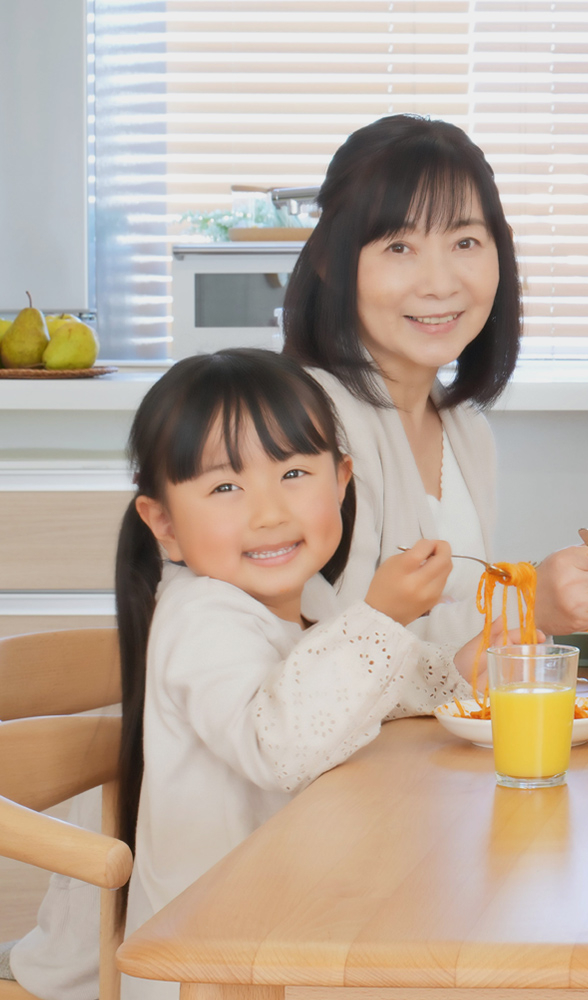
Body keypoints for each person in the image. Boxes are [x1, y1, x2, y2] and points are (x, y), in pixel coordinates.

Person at [114, 351, 488, 1000]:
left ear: (342, 481)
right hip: (212, 962)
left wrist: (457, 669)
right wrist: (381, 614)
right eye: (225, 487)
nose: (268, 512)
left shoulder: (310, 595)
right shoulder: (202, 618)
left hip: (297, 917)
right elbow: (280, 741)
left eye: (293, 472)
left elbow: (359, 691)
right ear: (164, 524)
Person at [284, 114, 588, 645]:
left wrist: (536, 597)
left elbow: (460, 634)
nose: (439, 284)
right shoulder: (307, 428)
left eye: (465, 242)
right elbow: (323, 656)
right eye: (399, 248)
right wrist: (528, 605)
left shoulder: (465, 430)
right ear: (331, 260)